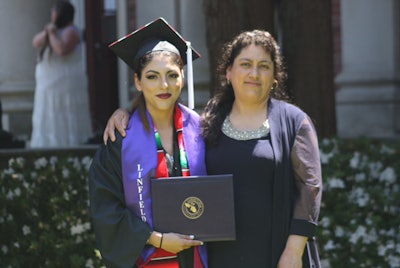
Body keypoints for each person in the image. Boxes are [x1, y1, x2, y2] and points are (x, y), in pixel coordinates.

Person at [103, 29, 322, 267]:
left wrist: (293, 251)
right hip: (218, 255)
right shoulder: (205, 123)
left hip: (276, 252)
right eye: (245, 64)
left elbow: (310, 187)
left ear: (275, 75)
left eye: (264, 66)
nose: (254, 73)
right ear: (228, 72)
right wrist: (124, 113)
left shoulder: (293, 121)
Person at [89, 18, 207, 268]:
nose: (164, 85)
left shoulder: (203, 130)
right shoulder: (120, 137)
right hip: (148, 259)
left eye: (172, 75)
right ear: (138, 82)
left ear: (183, 78)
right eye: (152, 77)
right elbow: (106, 209)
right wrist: (158, 239)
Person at [30, 0, 92, 148]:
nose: (52, 15)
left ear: (61, 14)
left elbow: (61, 50)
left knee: (64, 116)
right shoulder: (53, 30)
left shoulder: (71, 31)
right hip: (48, 86)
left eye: (54, 11)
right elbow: (35, 42)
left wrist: (51, 33)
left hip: (64, 87)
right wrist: (48, 32)